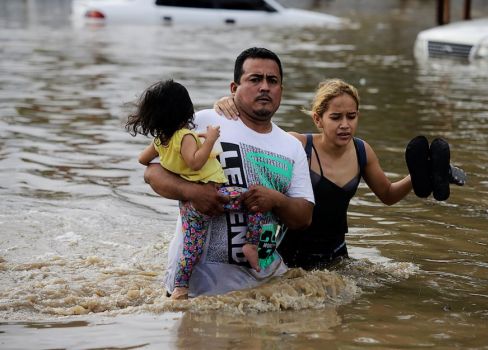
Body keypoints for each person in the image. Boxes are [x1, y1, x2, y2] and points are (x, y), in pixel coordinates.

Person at [214, 78, 465, 270]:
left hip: (336, 256)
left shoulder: (361, 150)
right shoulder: (297, 145)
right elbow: (256, 140)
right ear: (318, 119)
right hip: (290, 255)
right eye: (336, 117)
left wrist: (419, 174)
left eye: (351, 116)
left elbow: (388, 195)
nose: (345, 124)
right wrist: (230, 104)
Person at [142, 47, 315, 297]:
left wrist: (275, 200)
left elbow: (304, 217)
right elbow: (151, 173)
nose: (265, 87)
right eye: (255, 79)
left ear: (281, 91)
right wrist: (192, 191)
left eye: (272, 81)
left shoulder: (291, 147)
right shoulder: (203, 122)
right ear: (234, 88)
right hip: (195, 290)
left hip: (262, 288)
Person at [126, 80, 266, 300]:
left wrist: (171, 161)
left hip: (188, 205)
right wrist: (209, 140)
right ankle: (251, 244)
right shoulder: (185, 136)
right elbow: (195, 162)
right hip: (214, 193)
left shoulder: (161, 140)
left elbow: (143, 159)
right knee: (256, 200)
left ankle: (180, 287)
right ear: (185, 110)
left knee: (192, 248)